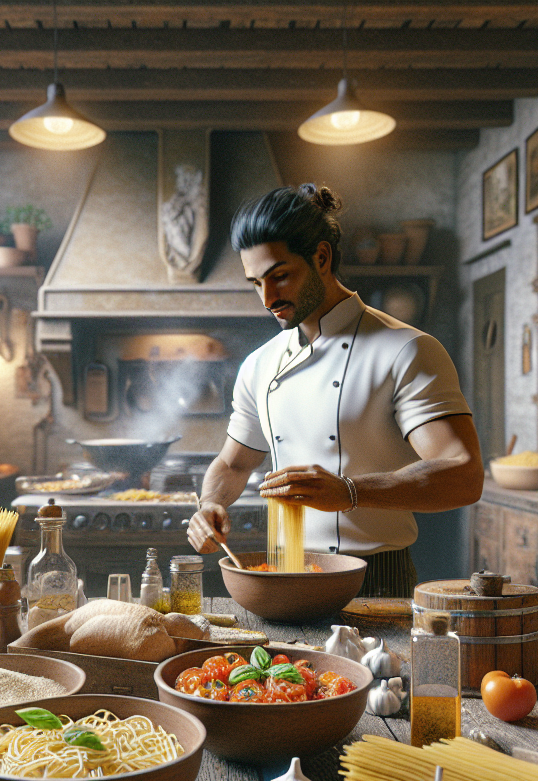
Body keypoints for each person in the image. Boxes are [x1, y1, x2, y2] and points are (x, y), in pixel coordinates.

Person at [186, 184, 483, 598]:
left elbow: (464, 474)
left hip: (376, 579)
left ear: (322, 257)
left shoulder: (405, 349)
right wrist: (210, 505)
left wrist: (350, 491)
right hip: (285, 572)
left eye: (280, 276)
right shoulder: (259, 365)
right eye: (255, 283)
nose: (268, 299)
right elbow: (234, 465)